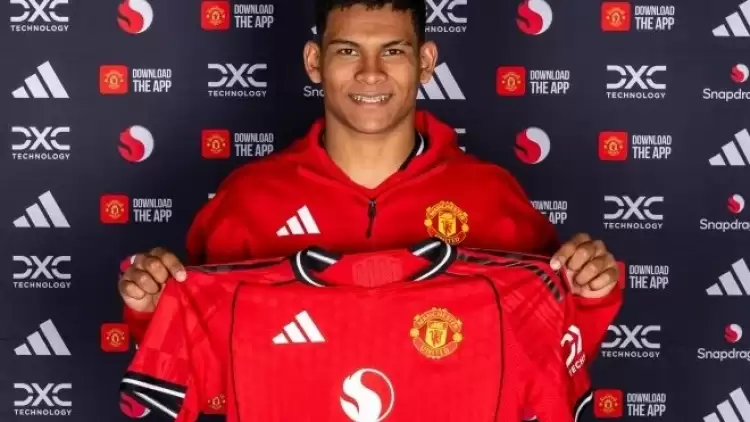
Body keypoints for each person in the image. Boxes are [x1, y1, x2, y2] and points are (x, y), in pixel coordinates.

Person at [119, 0, 621, 387]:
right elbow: (201, 368)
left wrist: (591, 298)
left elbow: (548, 354)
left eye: (393, 51)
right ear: (314, 61)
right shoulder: (248, 199)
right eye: (347, 51)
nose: (371, 72)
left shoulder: (490, 196)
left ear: (426, 62)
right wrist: (151, 309)